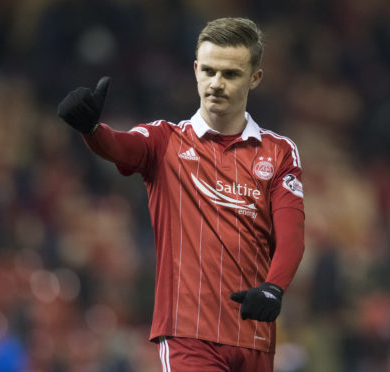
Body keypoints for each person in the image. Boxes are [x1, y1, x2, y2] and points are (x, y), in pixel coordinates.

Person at [57, 17, 304, 372]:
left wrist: (274, 288)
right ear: (195, 69)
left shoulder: (279, 152)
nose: (216, 83)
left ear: (255, 77)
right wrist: (91, 129)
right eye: (208, 71)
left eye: (230, 74)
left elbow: (292, 234)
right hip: (188, 337)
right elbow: (120, 146)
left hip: (256, 337)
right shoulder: (164, 140)